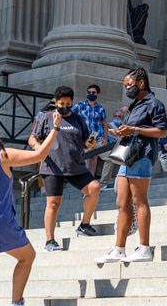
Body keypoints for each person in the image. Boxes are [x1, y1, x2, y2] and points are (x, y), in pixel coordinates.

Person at [0, 118, 61, 306]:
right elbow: (40, 155)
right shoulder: (2, 154)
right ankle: (16, 302)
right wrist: (55, 128)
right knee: (27, 256)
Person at [95, 67, 167, 264]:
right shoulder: (135, 105)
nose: (126, 88)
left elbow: (162, 132)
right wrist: (122, 131)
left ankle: (144, 248)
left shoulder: (154, 104)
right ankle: (119, 249)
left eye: (129, 85)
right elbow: (132, 129)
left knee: (139, 201)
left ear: (141, 83)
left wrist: (134, 129)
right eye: (125, 86)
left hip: (142, 154)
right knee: (122, 203)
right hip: (127, 156)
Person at [27, 85, 102, 251]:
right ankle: (49, 241)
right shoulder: (46, 117)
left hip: (75, 165)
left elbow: (85, 142)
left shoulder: (78, 119)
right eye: (61, 103)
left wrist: (90, 144)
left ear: (72, 102)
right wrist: (38, 148)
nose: (65, 106)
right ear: (56, 102)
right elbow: (32, 138)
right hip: (53, 166)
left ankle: (84, 225)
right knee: (53, 203)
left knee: (94, 188)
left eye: (68, 103)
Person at [72, 84, 109, 175]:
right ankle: (86, 179)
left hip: (97, 136)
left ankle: (95, 179)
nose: (91, 94)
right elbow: (70, 116)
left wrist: (105, 138)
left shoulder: (100, 108)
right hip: (86, 136)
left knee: (100, 158)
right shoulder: (80, 105)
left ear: (97, 94)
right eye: (89, 92)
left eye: (93, 92)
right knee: (87, 159)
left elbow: (105, 123)